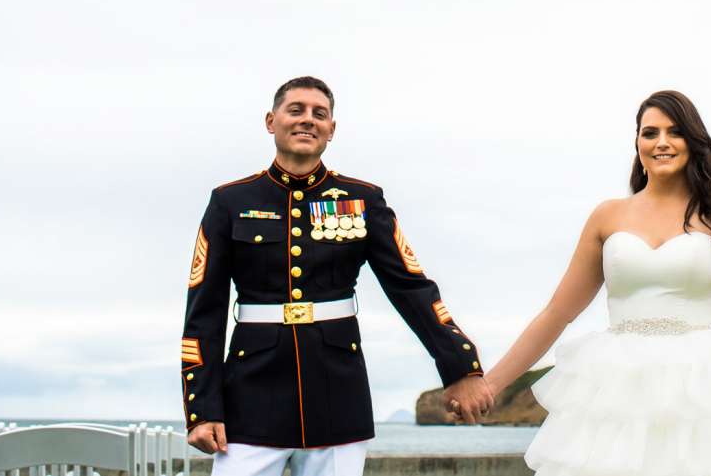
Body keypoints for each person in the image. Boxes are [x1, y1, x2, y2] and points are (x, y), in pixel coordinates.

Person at [181, 77, 491, 476]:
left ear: (332, 129)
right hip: (250, 395)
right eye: (296, 110)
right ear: (270, 121)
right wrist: (202, 407)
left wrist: (461, 367)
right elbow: (203, 311)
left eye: (319, 114)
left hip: (336, 394)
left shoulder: (362, 200)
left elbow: (411, 288)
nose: (308, 120)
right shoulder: (231, 201)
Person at [475, 89, 711, 476]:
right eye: (649, 132)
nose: (661, 142)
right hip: (615, 392)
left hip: (703, 393)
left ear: (693, 142)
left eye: (674, 132)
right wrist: (490, 385)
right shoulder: (608, 217)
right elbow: (557, 313)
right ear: (637, 143)